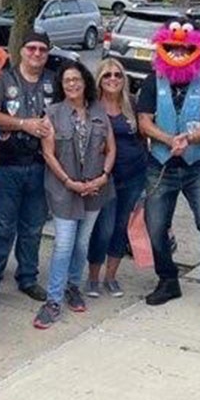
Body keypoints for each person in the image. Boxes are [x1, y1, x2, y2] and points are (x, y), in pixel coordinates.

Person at [138, 21, 200, 325]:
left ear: (196, 49)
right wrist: (168, 140)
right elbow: (144, 121)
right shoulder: (154, 80)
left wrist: (189, 139)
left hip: (197, 165)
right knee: (155, 227)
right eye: (173, 47)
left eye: (185, 47)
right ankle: (168, 280)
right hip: (160, 163)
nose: (179, 51)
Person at [0, 32, 58, 306]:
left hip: (39, 165)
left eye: (42, 50)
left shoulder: (53, 80)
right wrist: (24, 124)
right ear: (21, 51)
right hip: (7, 166)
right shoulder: (5, 79)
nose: (36, 53)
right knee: (1, 227)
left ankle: (27, 278)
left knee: (33, 227)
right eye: (32, 48)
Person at [34, 62, 115, 329]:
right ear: (61, 85)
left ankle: (73, 286)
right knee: (64, 245)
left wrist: (103, 176)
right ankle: (53, 300)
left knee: (82, 243)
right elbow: (48, 154)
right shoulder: (53, 113)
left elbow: (111, 148)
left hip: (95, 189)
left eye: (76, 79)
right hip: (63, 191)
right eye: (67, 80)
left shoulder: (99, 111)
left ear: (85, 82)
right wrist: (70, 182)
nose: (72, 84)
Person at [86, 59, 147, 298]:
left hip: (133, 175)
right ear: (99, 79)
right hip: (106, 178)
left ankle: (111, 277)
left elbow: (143, 138)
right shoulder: (92, 107)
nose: (113, 79)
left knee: (121, 228)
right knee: (104, 228)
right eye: (107, 75)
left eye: (118, 75)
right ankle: (92, 278)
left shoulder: (131, 103)